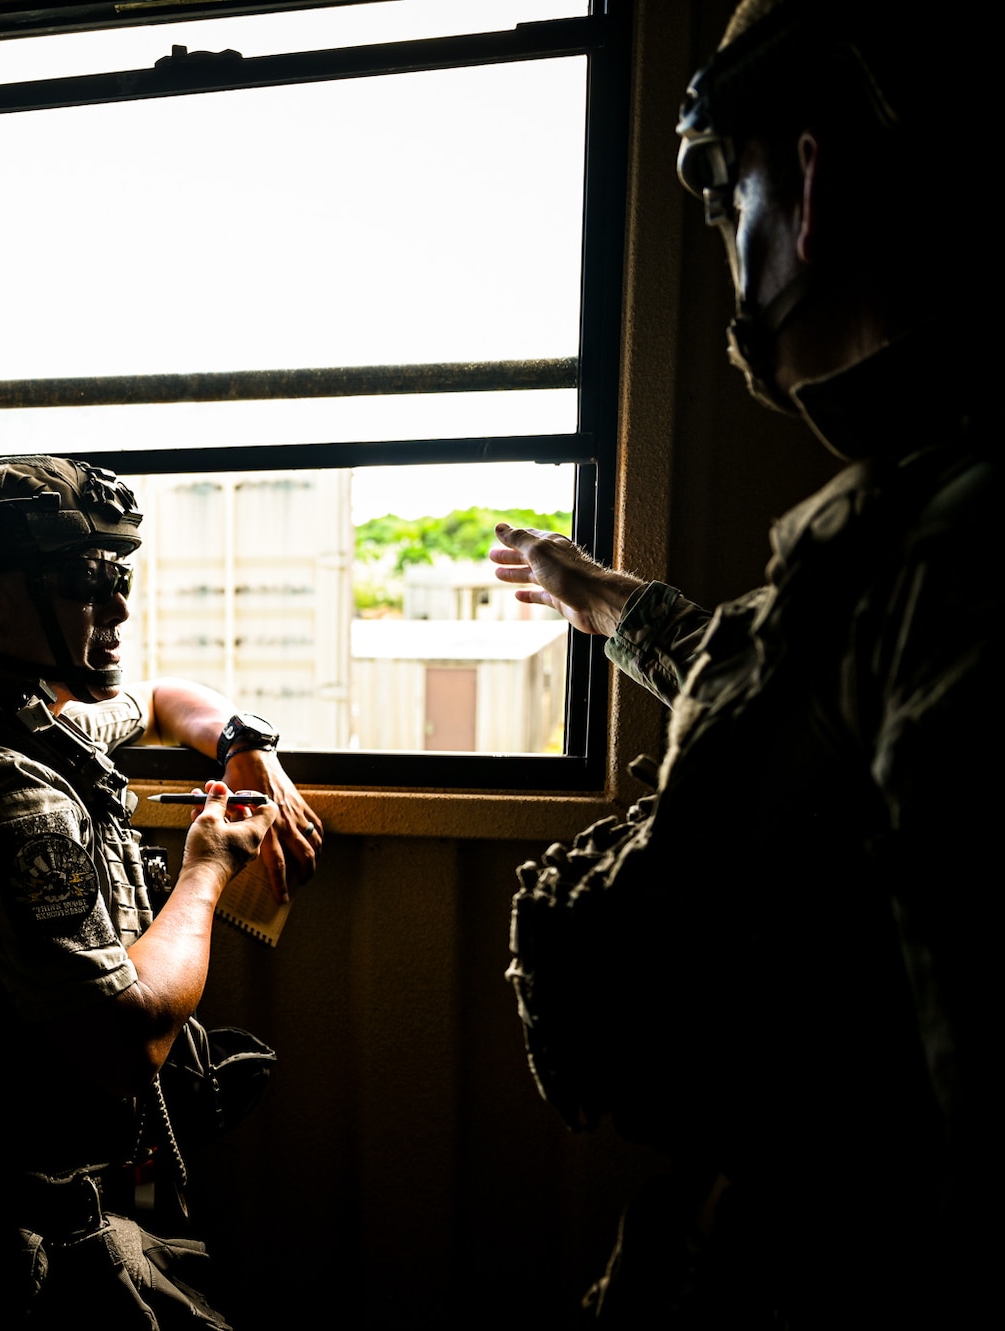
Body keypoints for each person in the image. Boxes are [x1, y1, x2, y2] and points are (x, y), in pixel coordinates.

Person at [491, 1, 993, 1321]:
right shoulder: (929, 520)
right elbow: (805, 680)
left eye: (722, 190)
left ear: (808, 185)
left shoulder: (958, 546)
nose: (728, 242)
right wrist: (606, 600)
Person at [0, 454, 323, 1327]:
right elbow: (126, 1046)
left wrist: (247, 742)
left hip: (24, 1200)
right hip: (2, 1250)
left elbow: (164, 698)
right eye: (88, 581)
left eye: (118, 575)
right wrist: (207, 865)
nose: (119, 606)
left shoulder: (12, 721)